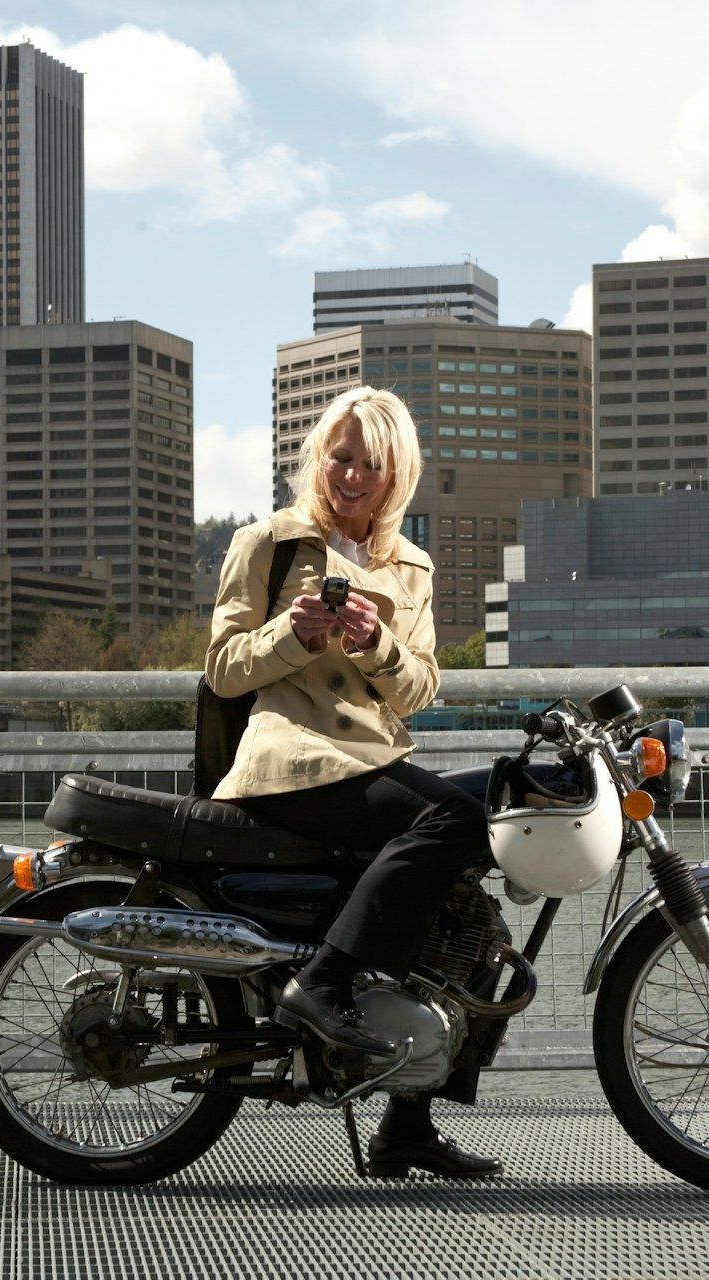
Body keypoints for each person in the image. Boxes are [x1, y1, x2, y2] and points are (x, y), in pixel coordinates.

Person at [203, 385, 501, 1180]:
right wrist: (292, 634)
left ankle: (409, 1122)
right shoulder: (269, 542)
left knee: (475, 897)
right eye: (341, 458)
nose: (353, 476)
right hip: (289, 760)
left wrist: (375, 647)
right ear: (318, 461)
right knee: (459, 825)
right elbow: (225, 672)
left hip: (373, 759)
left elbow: (420, 691)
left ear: (397, 473)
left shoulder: (412, 565)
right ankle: (323, 981)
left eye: (373, 463)